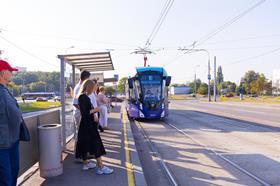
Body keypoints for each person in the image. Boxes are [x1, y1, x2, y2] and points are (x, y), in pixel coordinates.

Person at [75, 79, 113, 174]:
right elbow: (85, 113)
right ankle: (101, 167)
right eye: (93, 87)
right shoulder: (83, 97)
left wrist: (94, 112)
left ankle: (86, 163)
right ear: (89, 87)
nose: (94, 89)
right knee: (95, 144)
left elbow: (87, 109)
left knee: (85, 143)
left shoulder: (83, 97)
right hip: (88, 124)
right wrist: (96, 110)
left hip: (86, 124)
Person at [0, 60, 23, 185]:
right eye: (10, 71)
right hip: (2, 145)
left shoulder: (5, 89)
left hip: (12, 141)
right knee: (5, 180)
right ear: (2, 73)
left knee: (12, 175)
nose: (12, 73)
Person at [72, 70, 91, 154]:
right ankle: (80, 155)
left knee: (82, 134)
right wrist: (85, 111)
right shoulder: (80, 87)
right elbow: (75, 103)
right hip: (80, 114)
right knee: (81, 135)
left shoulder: (79, 86)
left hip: (81, 114)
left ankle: (81, 154)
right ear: (86, 78)